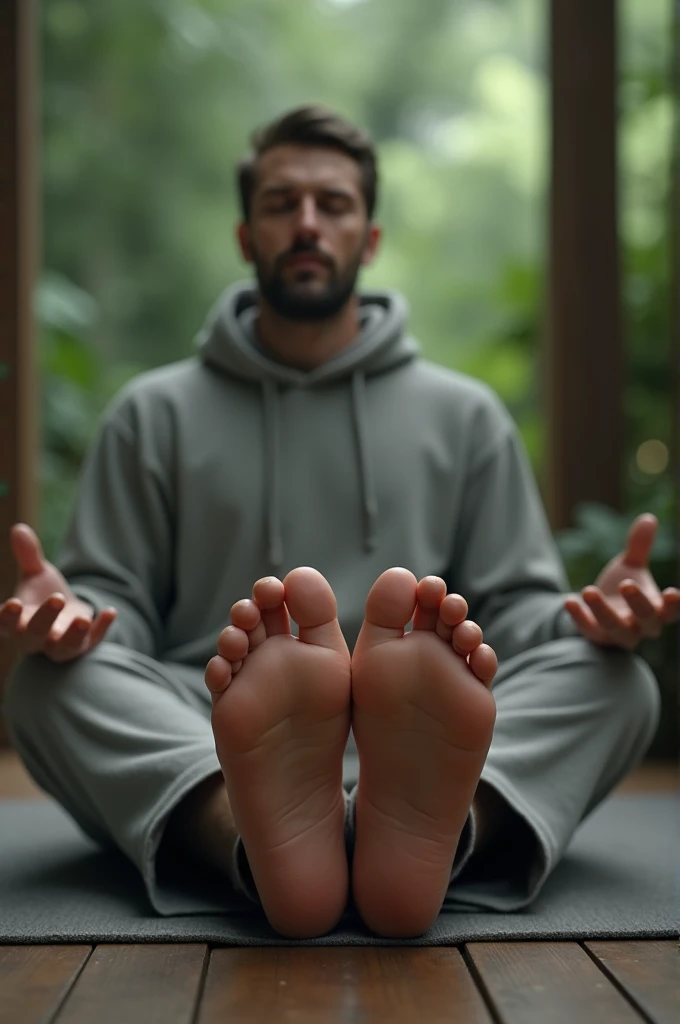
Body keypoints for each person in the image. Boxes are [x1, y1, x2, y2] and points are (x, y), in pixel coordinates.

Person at [1, 105, 678, 941]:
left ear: (372, 234)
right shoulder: (153, 413)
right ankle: (264, 837)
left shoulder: (464, 417)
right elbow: (121, 608)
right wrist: (75, 620)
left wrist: (588, 618)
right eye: (283, 203)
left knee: (617, 682)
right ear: (248, 236)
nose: (309, 223)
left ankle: (424, 835)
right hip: (214, 733)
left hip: (432, 749)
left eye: (333, 203)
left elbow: (518, 617)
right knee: (46, 684)